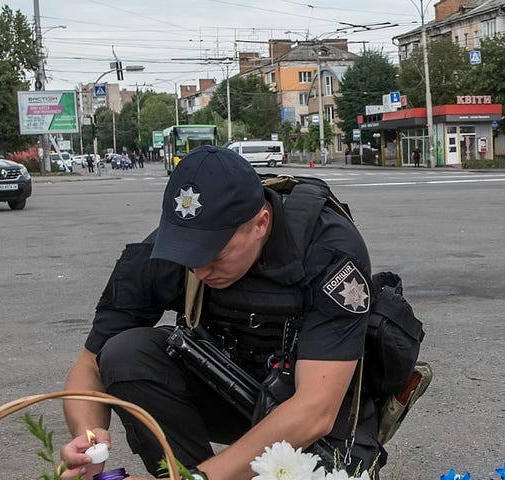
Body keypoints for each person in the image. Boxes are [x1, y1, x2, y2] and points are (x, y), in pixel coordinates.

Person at [59, 146, 383, 480]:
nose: (199, 270)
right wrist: (88, 440)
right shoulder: (168, 253)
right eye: (189, 254)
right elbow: (88, 366)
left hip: (314, 408)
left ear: (260, 223)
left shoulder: (328, 250)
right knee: (125, 354)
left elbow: (316, 410)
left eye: (215, 255)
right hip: (227, 392)